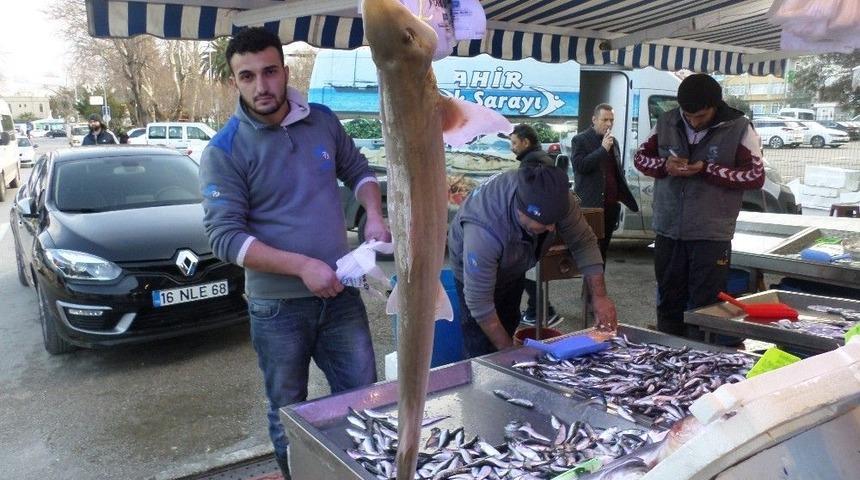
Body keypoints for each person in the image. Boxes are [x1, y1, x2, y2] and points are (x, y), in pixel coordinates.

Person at [198, 27, 389, 479]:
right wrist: (302, 266)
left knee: (362, 398)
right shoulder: (224, 151)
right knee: (289, 410)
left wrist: (374, 214)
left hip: (341, 294)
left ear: (285, 71)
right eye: (247, 77)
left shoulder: (322, 120)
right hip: (277, 309)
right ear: (233, 82)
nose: (261, 87)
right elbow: (225, 237)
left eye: (269, 72)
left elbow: (359, 171)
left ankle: (356, 472)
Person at [634, 73, 764, 341]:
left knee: (704, 306)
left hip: (711, 234)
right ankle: (667, 353)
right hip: (669, 230)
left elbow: (754, 176)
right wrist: (664, 166)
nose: (693, 122)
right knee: (669, 299)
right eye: (688, 115)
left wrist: (707, 169)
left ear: (716, 106)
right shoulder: (667, 121)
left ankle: (700, 360)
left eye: (700, 117)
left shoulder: (739, 127)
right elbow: (640, 159)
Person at [448, 163, 618, 358]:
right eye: (546, 223)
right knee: (479, 342)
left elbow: (584, 242)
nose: (553, 229)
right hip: (470, 266)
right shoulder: (484, 232)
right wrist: (510, 353)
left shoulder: (557, 198)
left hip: (513, 263)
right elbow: (479, 304)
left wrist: (599, 296)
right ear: (522, 212)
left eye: (555, 221)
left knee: (509, 318)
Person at [508, 124, 564, 328]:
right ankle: (539, 310)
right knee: (528, 272)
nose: (512, 147)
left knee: (526, 271)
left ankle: (543, 311)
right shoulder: (540, 158)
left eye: (514, 143)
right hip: (542, 226)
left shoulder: (531, 163)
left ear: (525, 142)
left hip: (535, 228)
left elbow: (529, 199)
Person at [571, 104, 639, 264]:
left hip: (610, 206)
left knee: (603, 252)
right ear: (594, 120)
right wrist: (602, 149)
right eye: (605, 120)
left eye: (611, 120)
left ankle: (597, 289)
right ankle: (590, 288)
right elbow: (580, 167)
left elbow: (616, 172)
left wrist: (621, 197)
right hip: (592, 206)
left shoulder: (613, 142)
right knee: (591, 252)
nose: (609, 124)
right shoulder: (580, 140)